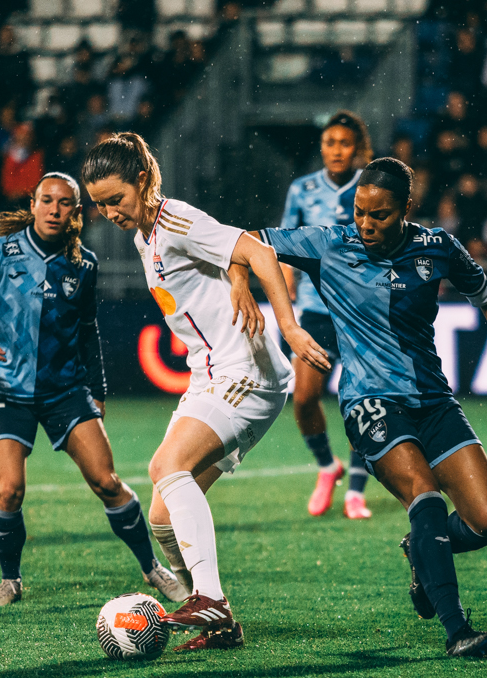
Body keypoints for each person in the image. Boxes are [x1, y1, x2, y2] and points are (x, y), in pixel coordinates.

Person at [248, 157, 487, 658]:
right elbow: (244, 244)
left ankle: (421, 547)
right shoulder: (330, 243)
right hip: (369, 402)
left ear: (406, 211)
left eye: (380, 215)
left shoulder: (435, 245)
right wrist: (284, 322)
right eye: (359, 212)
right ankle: (458, 630)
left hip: (434, 400)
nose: (366, 224)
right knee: (425, 494)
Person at [81, 132, 329, 649]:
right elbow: (230, 249)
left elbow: (259, 250)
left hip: (247, 371)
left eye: (116, 200)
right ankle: (220, 622)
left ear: (143, 181)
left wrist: (289, 327)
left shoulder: (173, 220)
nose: (108, 212)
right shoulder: (143, 237)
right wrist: (233, 275)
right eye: (100, 204)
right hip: (209, 375)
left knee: (163, 468)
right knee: (162, 518)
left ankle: (209, 598)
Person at [0, 172, 185, 607]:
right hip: (7, 388)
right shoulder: (1, 251)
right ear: (33, 203)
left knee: (107, 481)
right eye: (47, 201)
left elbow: (88, 331)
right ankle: (10, 580)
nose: (54, 210)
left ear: (77, 212)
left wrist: (97, 389)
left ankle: (153, 568)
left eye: (64, 204)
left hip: (65, 390)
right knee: (9, 491)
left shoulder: (84, 264)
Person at [279, 111, 377, 519]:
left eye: (344, 143)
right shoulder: (301, 190)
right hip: (317, 313)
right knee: (304, 399)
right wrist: (286, 291)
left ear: (357, 148)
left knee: (362, 402)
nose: (337, 150)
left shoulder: (373, 189)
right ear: (322, 147)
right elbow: (284, 244)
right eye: (330, 142)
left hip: (362, 314)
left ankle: (355, 491)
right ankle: (326, 466)